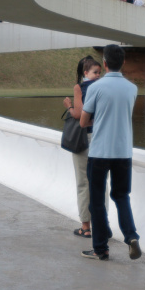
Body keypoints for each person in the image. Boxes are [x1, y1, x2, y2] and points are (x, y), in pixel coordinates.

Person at [79, 44, 140, 261]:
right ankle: (131, 236)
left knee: (97, 199)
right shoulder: (132, 89)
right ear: (122, 63)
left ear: (104, 64)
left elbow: (84, 121)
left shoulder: (95, 87)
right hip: (123, 151)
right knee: (121, 196)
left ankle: (101, 248)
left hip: (100, 151)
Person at [62, 56, 102, 239]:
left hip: (85, 139)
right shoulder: (103, 87)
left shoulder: (80, 88)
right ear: (86, 72)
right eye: (96, 72)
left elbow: (78, 114)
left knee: (83, 181)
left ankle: (85, 226)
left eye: (98, 72)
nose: (98, 75)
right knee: (100, 183)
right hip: (100, 138)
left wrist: (69, 107)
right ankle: (102, 226)